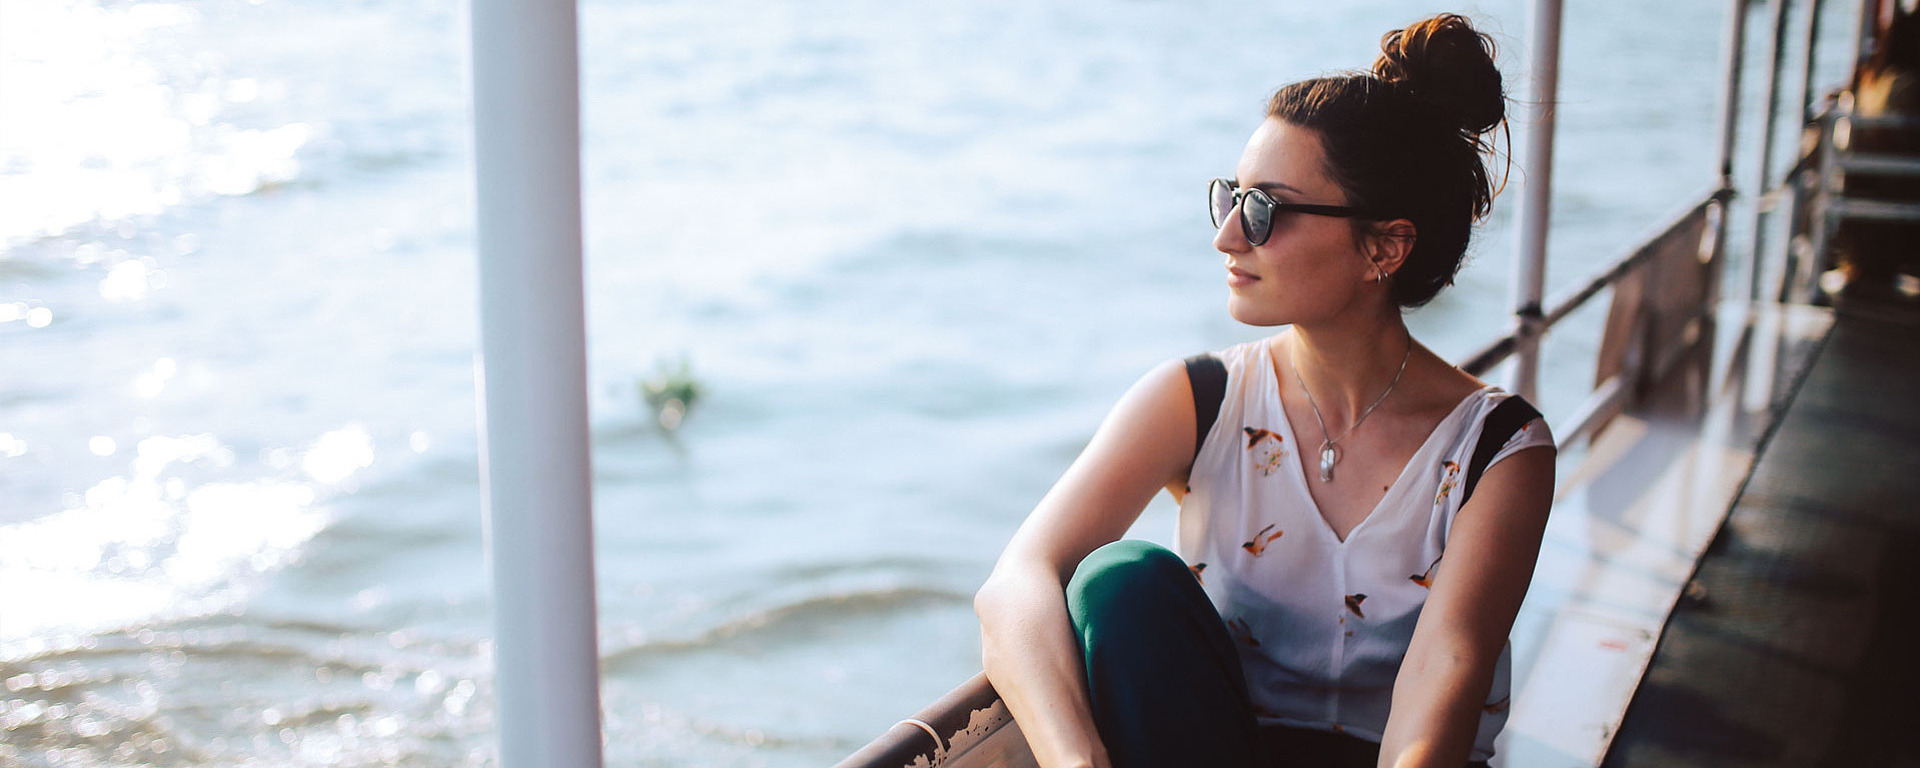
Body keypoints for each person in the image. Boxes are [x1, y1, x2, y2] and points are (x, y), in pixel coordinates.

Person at [972, 13, 1556, 768]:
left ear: (1384, 245)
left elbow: (1445, 672)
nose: (1226, 237)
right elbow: (1015, 584)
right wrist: (1077, 761)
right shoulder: (1201, 397)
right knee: (1122, 582)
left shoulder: (1498, 450)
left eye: (1263, 211)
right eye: (1229, 197)